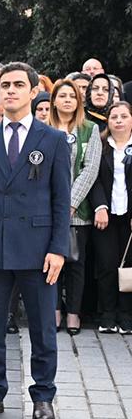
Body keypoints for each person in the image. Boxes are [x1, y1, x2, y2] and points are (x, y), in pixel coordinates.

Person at [0, 61, 69, 419]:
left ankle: (43, 396)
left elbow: (61, 200)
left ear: (31, 91)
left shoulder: (53, 140)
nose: (9, 90)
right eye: (5, 84)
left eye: (17, 85)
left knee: (42, 327)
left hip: (38, 249)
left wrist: (58, 248)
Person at [47, 79, 100, 336]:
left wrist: (70, 203)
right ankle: (54, 310)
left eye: (72, 96)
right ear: (54, 100)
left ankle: (73, 313)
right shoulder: (43, 128)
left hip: (77, 210)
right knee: (50, 260)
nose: (67, 99)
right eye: (62, 95)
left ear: (78, 101)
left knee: (76, 264)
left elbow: (90, 170)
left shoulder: (89, 129)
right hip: (46, 208)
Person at [90, 101, 132, 335]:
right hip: (106, 214)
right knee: (106, 265)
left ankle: (126, 315)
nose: (118, 120)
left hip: (129, 216)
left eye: (123, 116)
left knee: (128, 267)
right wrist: (100, 206)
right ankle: (107, 314)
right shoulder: (101, 145)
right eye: (114, 116)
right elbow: (93, 178)